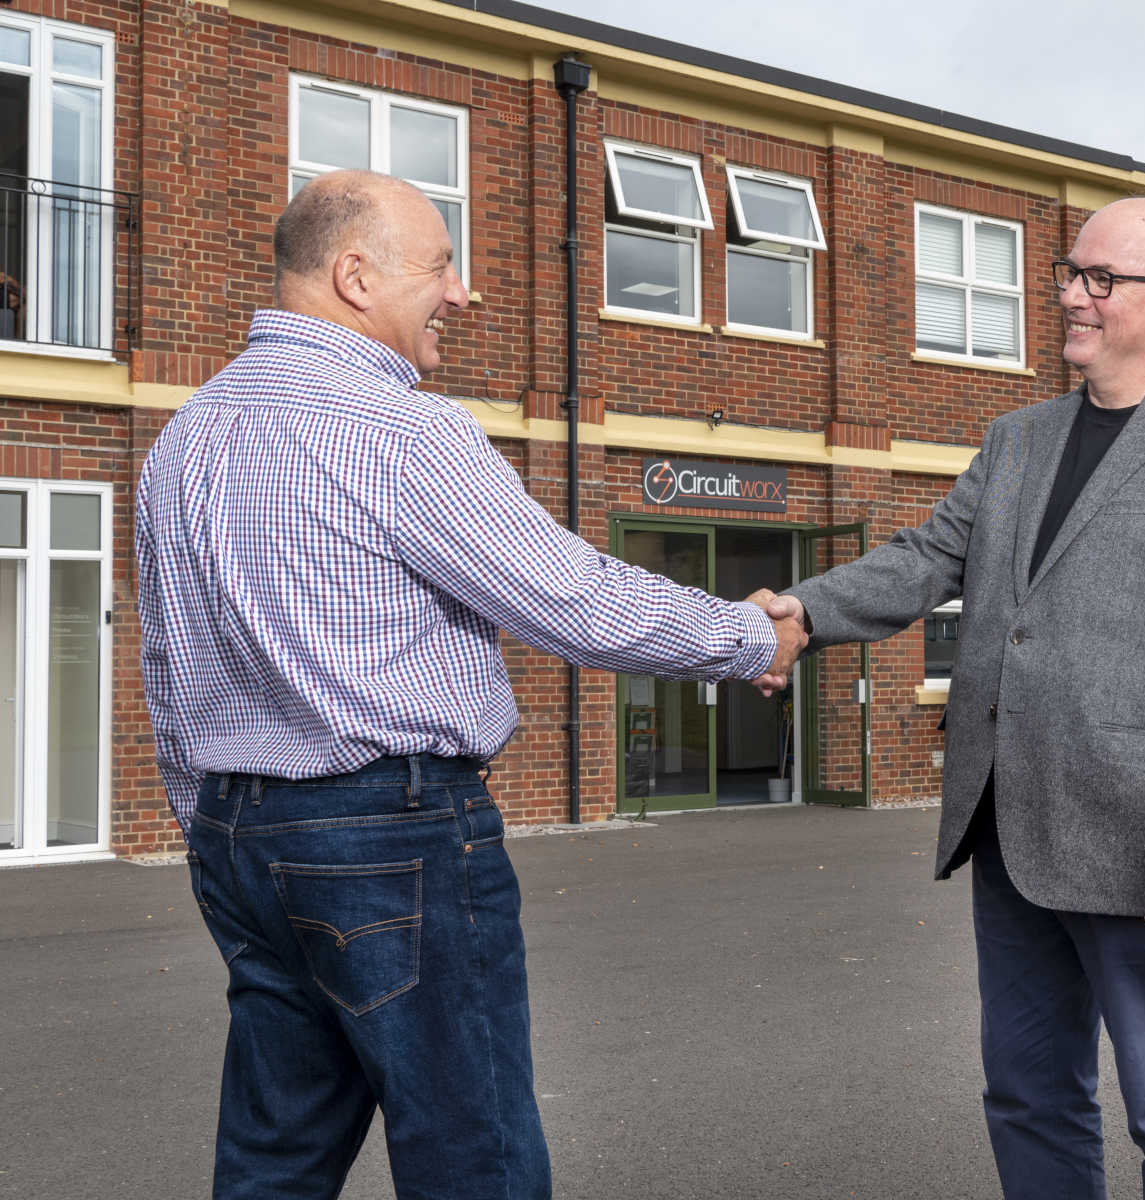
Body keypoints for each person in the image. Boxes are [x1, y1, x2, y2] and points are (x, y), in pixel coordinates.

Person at [135, 169, 806, 1199]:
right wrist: (747, 639)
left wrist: (211, 821)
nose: (462, 293)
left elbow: (169, 661)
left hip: (240, 837)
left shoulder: (185, 438)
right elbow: (572, 600)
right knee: (470, 1152)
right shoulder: (404, 428)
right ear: (355, 275)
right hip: (392, 834)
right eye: (442, 266)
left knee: (274, 1158)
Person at [783, 197, 1145, 1199]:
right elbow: (928, 557)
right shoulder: (1017, 439)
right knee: (1026, 1096)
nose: (1070, 295)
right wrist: (795, 615)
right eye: (1069, 273)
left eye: (1100, 279)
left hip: (1141, 849)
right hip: (1006, 827)